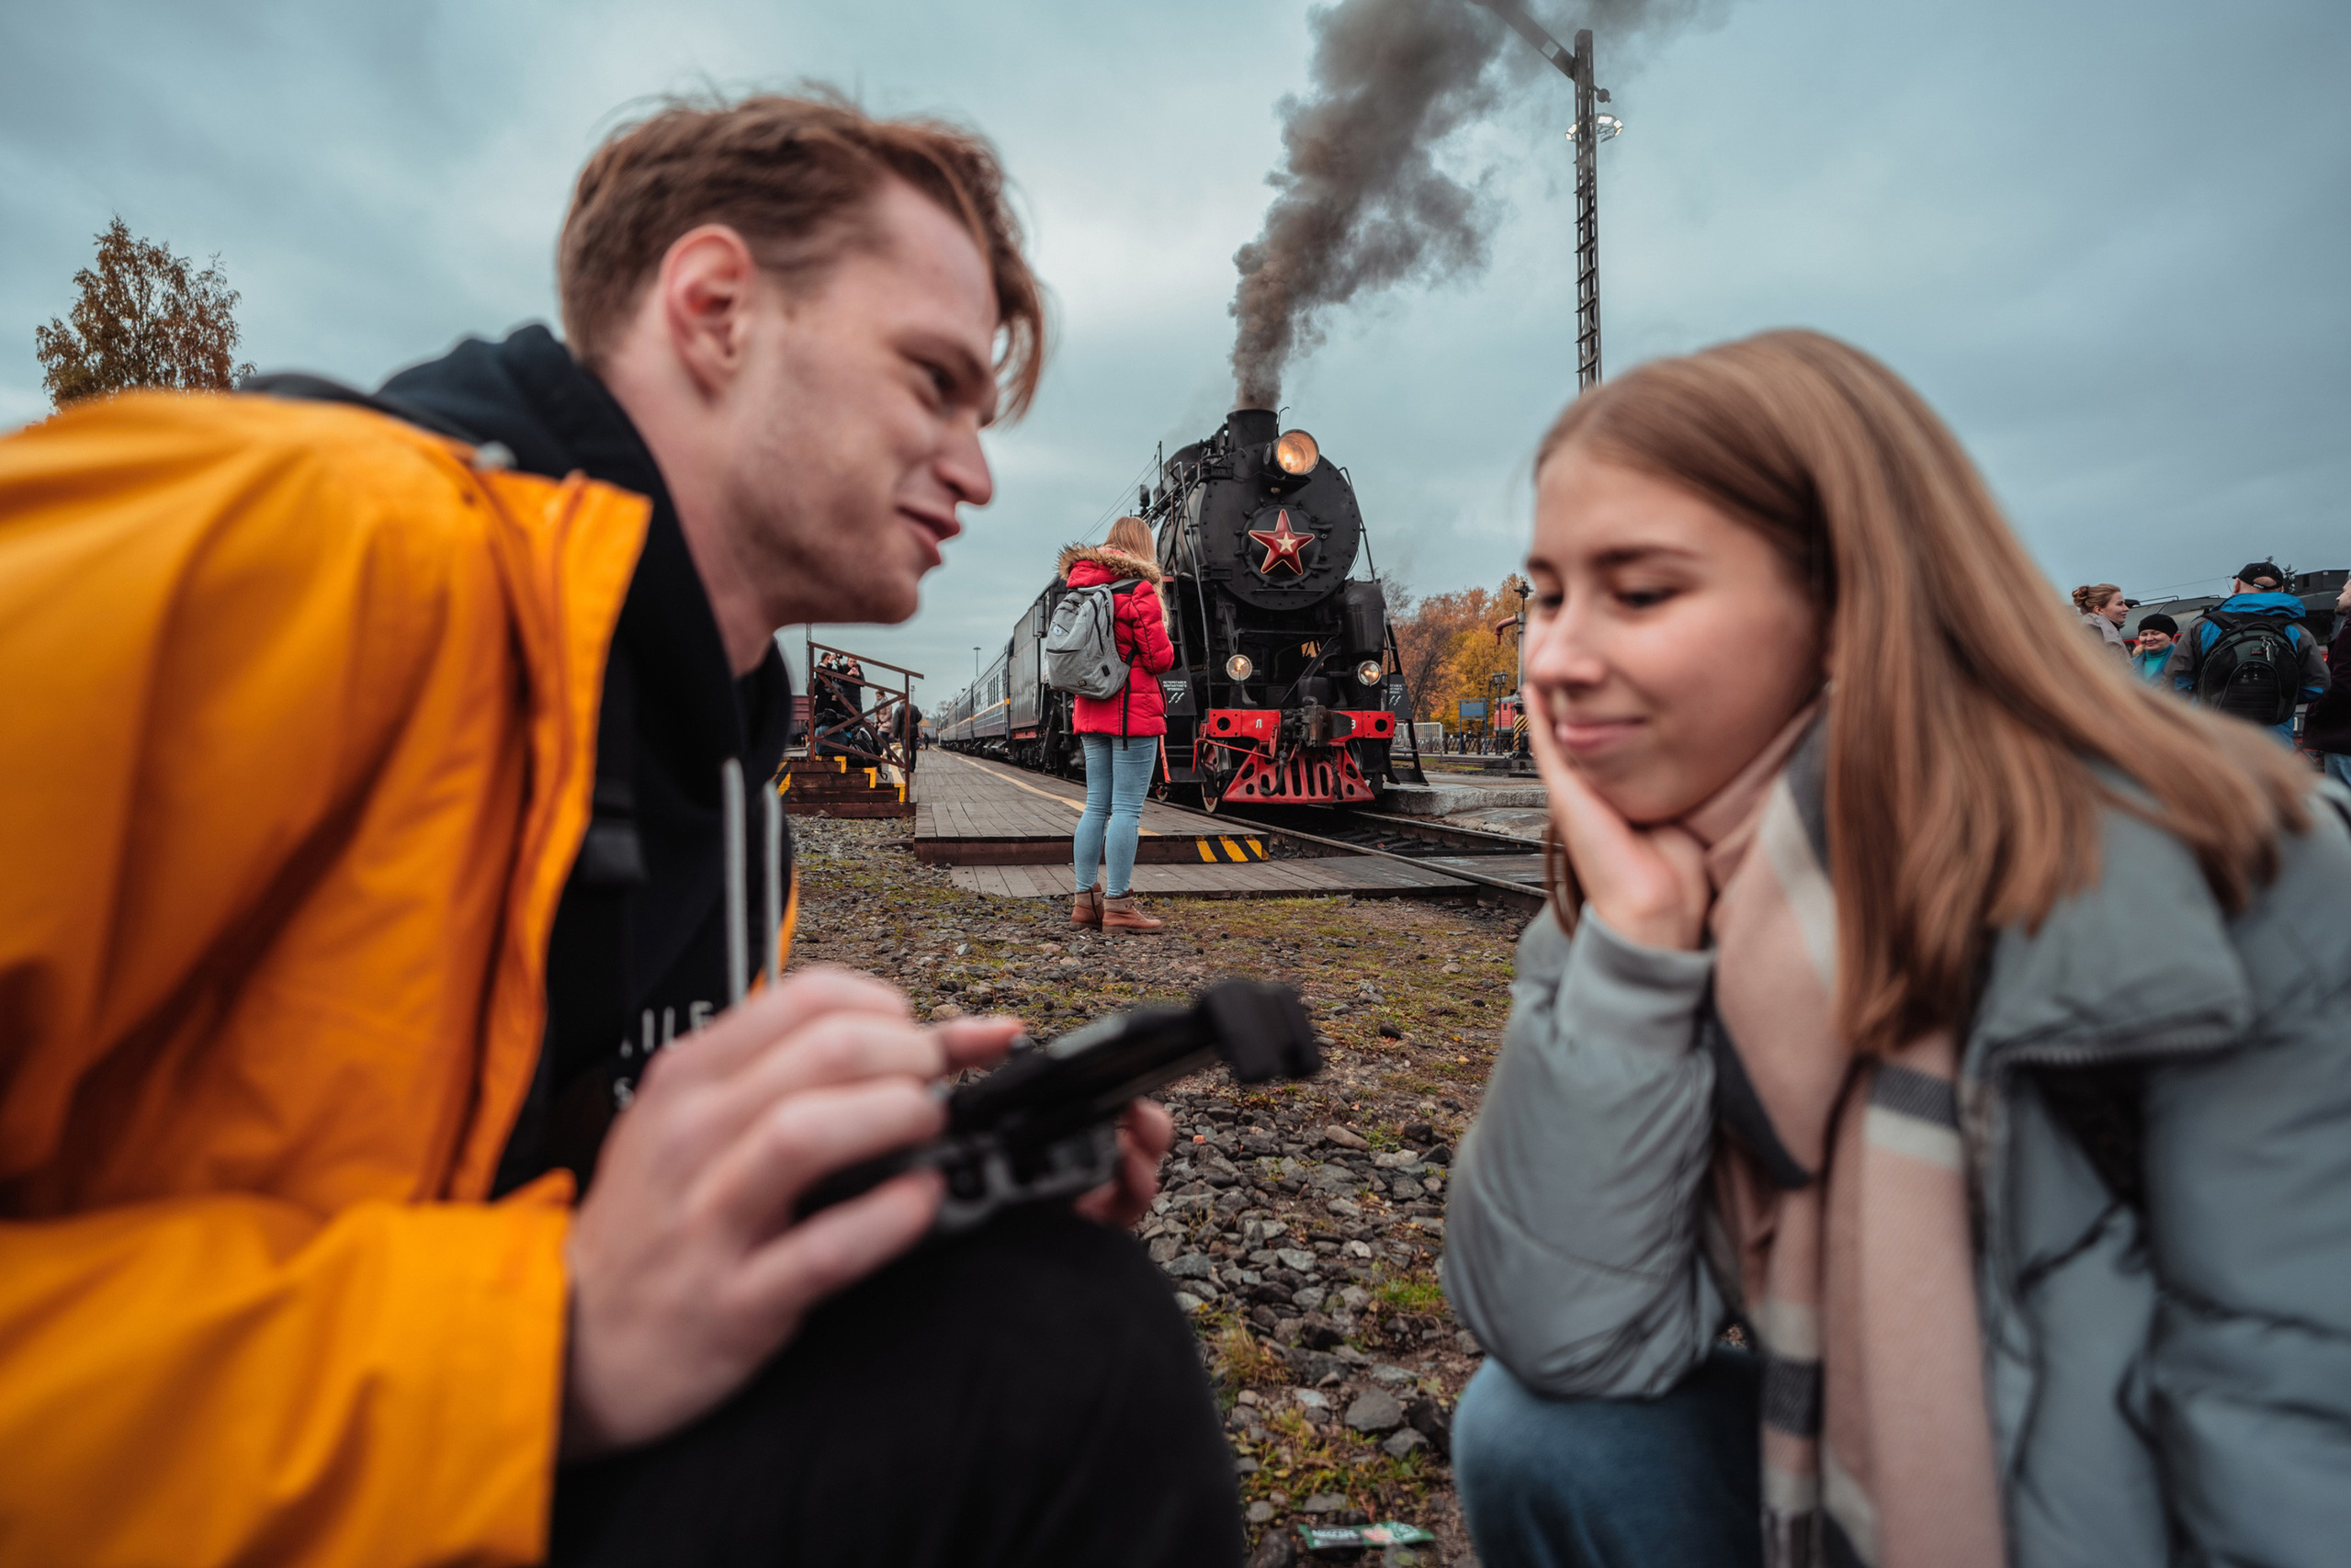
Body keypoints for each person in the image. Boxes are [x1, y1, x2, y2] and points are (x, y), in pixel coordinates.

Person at [0, 93, 1239, 1567]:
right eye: (931, 383)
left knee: (1031, 1301)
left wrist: (882, 1176)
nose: (975, 470)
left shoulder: (720, 784)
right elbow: (544, 1285)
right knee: (1075, 1360)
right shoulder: (275, 537)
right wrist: (537, 1342)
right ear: (714, 308)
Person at [1440, 331, 2351, 1568]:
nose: (1550, 656)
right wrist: (1638, 955)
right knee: (1538, 1432)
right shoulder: (1643, 886)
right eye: (1544, 593)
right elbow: (1562, 1336)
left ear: (1845, 598)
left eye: (1638, 590)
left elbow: (2290, 1424)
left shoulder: (2219, 868)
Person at [1062, 515, 1176, 934]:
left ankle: (1083, 902)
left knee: (1095, 806)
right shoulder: (1138, 589)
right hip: (1132, 712)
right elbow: (1159, 658)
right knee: (1126, 809)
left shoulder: (1080, 585)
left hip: (1090, 709)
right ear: (1142, 549)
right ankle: (1120, 906)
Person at [2164, 560, 2328, 742]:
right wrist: (2276, 696)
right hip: (2274, 742)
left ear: (2236, 586)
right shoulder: (2297, 632)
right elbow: (2317, 686)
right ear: (2281, 589)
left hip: (2214, 735)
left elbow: (2175, 682)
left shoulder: (2203, 626)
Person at [2302, 577, 2351, 789]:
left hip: (2344, 738)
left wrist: (2315, 711)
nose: (2339, 596)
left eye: (2345, 590)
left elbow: (2343, 685)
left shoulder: (2349, 633)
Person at [2071, 581, 2130, 662]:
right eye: (2120, 604)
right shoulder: (2095, 633)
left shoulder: (2092, 629)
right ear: (2098, 610)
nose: (2126, 608)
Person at [2131, 610, 2178, 682]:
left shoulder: (2183, 662)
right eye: (2144, 634)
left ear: (2170, 636)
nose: (2149, 639)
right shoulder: (2130, 665)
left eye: (2155, 633)